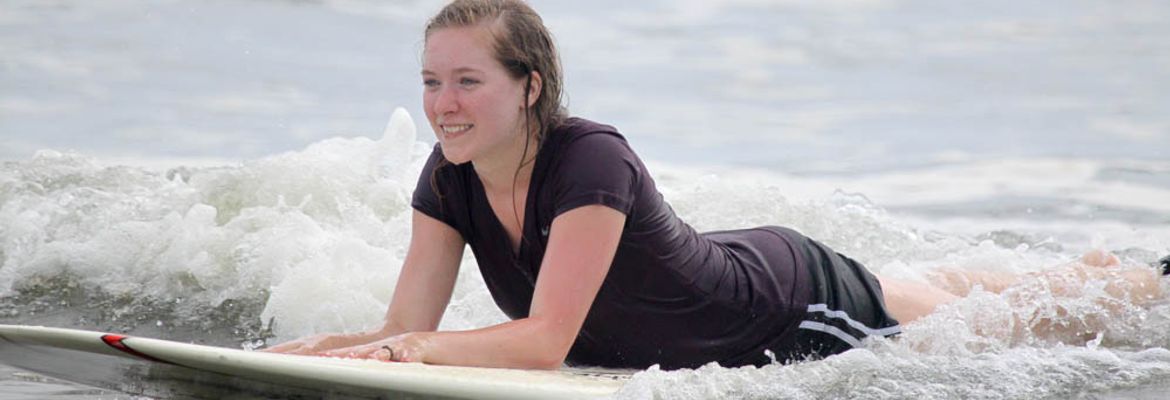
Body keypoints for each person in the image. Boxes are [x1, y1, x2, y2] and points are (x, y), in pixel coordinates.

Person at [265, 0, 1167, 370]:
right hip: (731, 262)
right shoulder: (449, 177)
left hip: (785, 306)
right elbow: (398, 331)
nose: (444, 106)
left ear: (529, 86)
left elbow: (543, 343)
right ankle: (1084, 265)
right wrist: (299, 357)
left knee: (992, 329)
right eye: (431, 82)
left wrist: (409, 355)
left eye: (468, 82)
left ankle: (1136, 284)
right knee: (949, 291)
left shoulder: (589, 161)